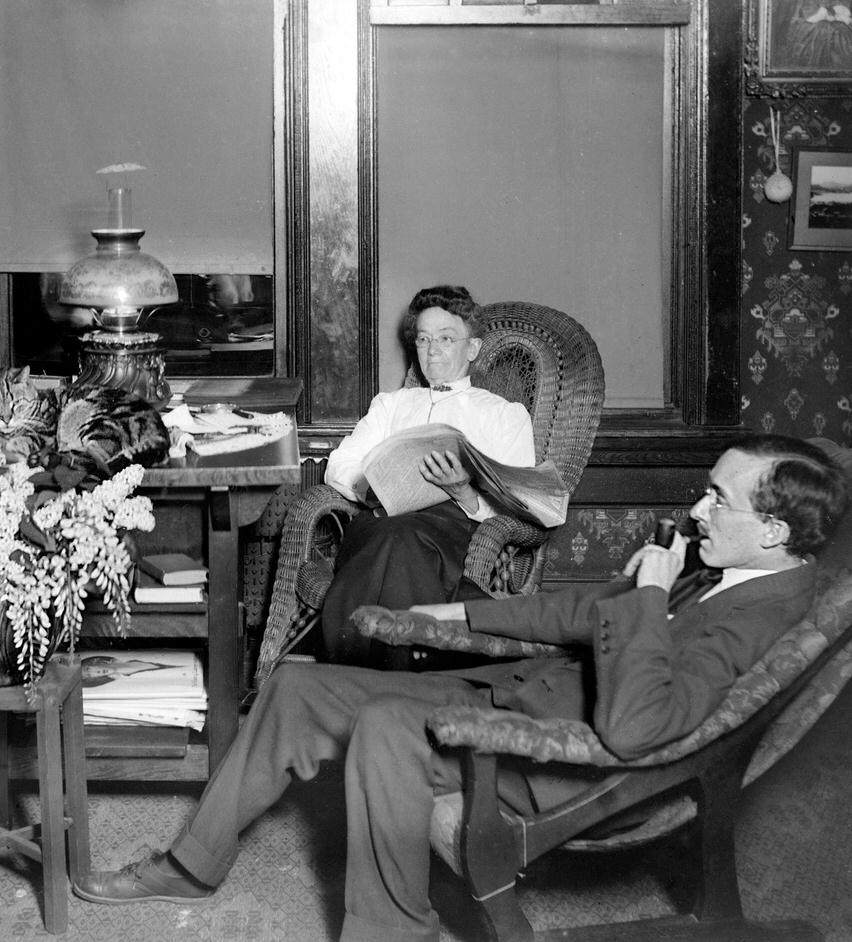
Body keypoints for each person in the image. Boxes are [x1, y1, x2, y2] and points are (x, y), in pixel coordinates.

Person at [75, 435, 848, 942]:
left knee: (382, 724)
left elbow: (639, 730)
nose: (697, 508)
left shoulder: (765, 614)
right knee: (292, 691)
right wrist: (453, 610)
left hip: (554, 757)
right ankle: (192, 865)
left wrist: (649, 596)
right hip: (514, 693)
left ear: (776, 531)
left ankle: (391, 931)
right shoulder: (729, 568)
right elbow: (580, 612)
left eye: (720, 498)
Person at [319, 284, 535, 664]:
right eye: (423, 339)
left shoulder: (504, 414)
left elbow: (521, 504)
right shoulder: (391, 405)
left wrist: (464, 491)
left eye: (446, 338)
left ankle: (354, 674)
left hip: (452, 531)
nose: (432, 349)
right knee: (393, 534)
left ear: (472, 348)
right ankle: (411, 681)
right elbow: (340, 464)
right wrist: (371, 488)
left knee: (402, 541)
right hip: (380, 518)